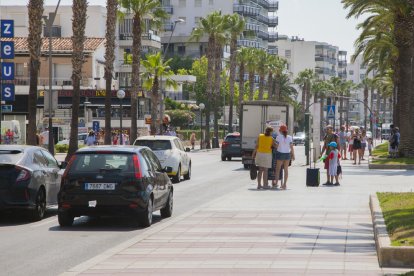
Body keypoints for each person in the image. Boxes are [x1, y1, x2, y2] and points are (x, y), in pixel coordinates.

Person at [274, 125, 295, 190]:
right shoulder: (289, 137)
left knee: (278, 169)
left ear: (280, 130)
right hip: (287, 154)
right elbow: (291, 147)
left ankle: (276, 183)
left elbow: (276, 146)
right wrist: (293, 155)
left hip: (280, 154)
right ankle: (284, 184)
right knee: (286, 170)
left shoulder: (278, 137)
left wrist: (273, 144)